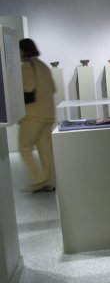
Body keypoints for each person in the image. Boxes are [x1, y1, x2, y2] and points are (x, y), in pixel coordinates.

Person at [19, 38, 57, 193]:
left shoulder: (27, 66)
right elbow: (53, 88)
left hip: (33, 115)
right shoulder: (43, 66)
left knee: (24, 147)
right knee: (45, 149)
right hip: (48, 114)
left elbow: (28, 88)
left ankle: (38, 180)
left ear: (23, 50)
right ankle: (49, 181)